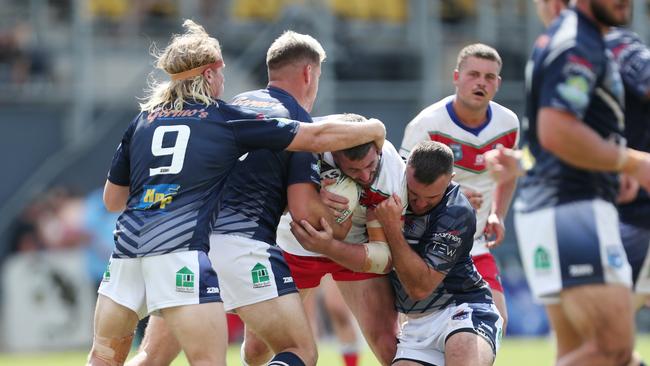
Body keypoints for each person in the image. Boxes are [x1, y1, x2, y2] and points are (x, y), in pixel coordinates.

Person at [89, 20, 386, 366]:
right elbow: (314, 141)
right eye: (222, 73)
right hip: (199, 250)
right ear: (212, 74)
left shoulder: (141, 121)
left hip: (128, 254)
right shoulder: (228, 118)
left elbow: (112, 201)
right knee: (293, 351)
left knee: (122, 357)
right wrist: (373, 128)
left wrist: (166, 194)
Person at [514, 1, 650, 364]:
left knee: (581, 352)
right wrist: (631, 162)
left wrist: (613, 167)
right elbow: (556, 129)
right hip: (571, 208)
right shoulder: (578, 42)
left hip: (563, 206)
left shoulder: (582, 39)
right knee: (613, 347)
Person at [295, 141, 503, 365]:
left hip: (463, 309)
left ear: (450, 180)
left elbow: (419, 288)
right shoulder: (390, 182)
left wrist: (393, 228)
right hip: (416, 326)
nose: (420, 204)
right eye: (413, 195)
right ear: (406, 172)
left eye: (431, 198)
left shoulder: (457, 212)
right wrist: (325, 198)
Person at [245, 114, 405, 366]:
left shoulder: (393, 171)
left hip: (357, 247)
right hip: (298, 243)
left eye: (370, 165)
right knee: (256, 349)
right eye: (353, 169)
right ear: (332, 154)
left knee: (389, 344)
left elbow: (383, 259)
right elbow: (260, 194)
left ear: (377, 148)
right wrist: (303, 194)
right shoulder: (309, 142)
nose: (365, 176)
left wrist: (331, 245)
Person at [399, 43, 519, 331]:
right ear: (456, 77)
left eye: (489, 77)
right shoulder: (427, 124)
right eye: (473, 74)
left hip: (474, 242)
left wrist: (497, 214)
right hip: (426, 244)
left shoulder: (509, 123)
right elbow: (402, 182)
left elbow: (513, 170)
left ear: (498, 84)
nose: (481, 82)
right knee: (413, 332)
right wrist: (452, 196)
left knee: (497, 322)